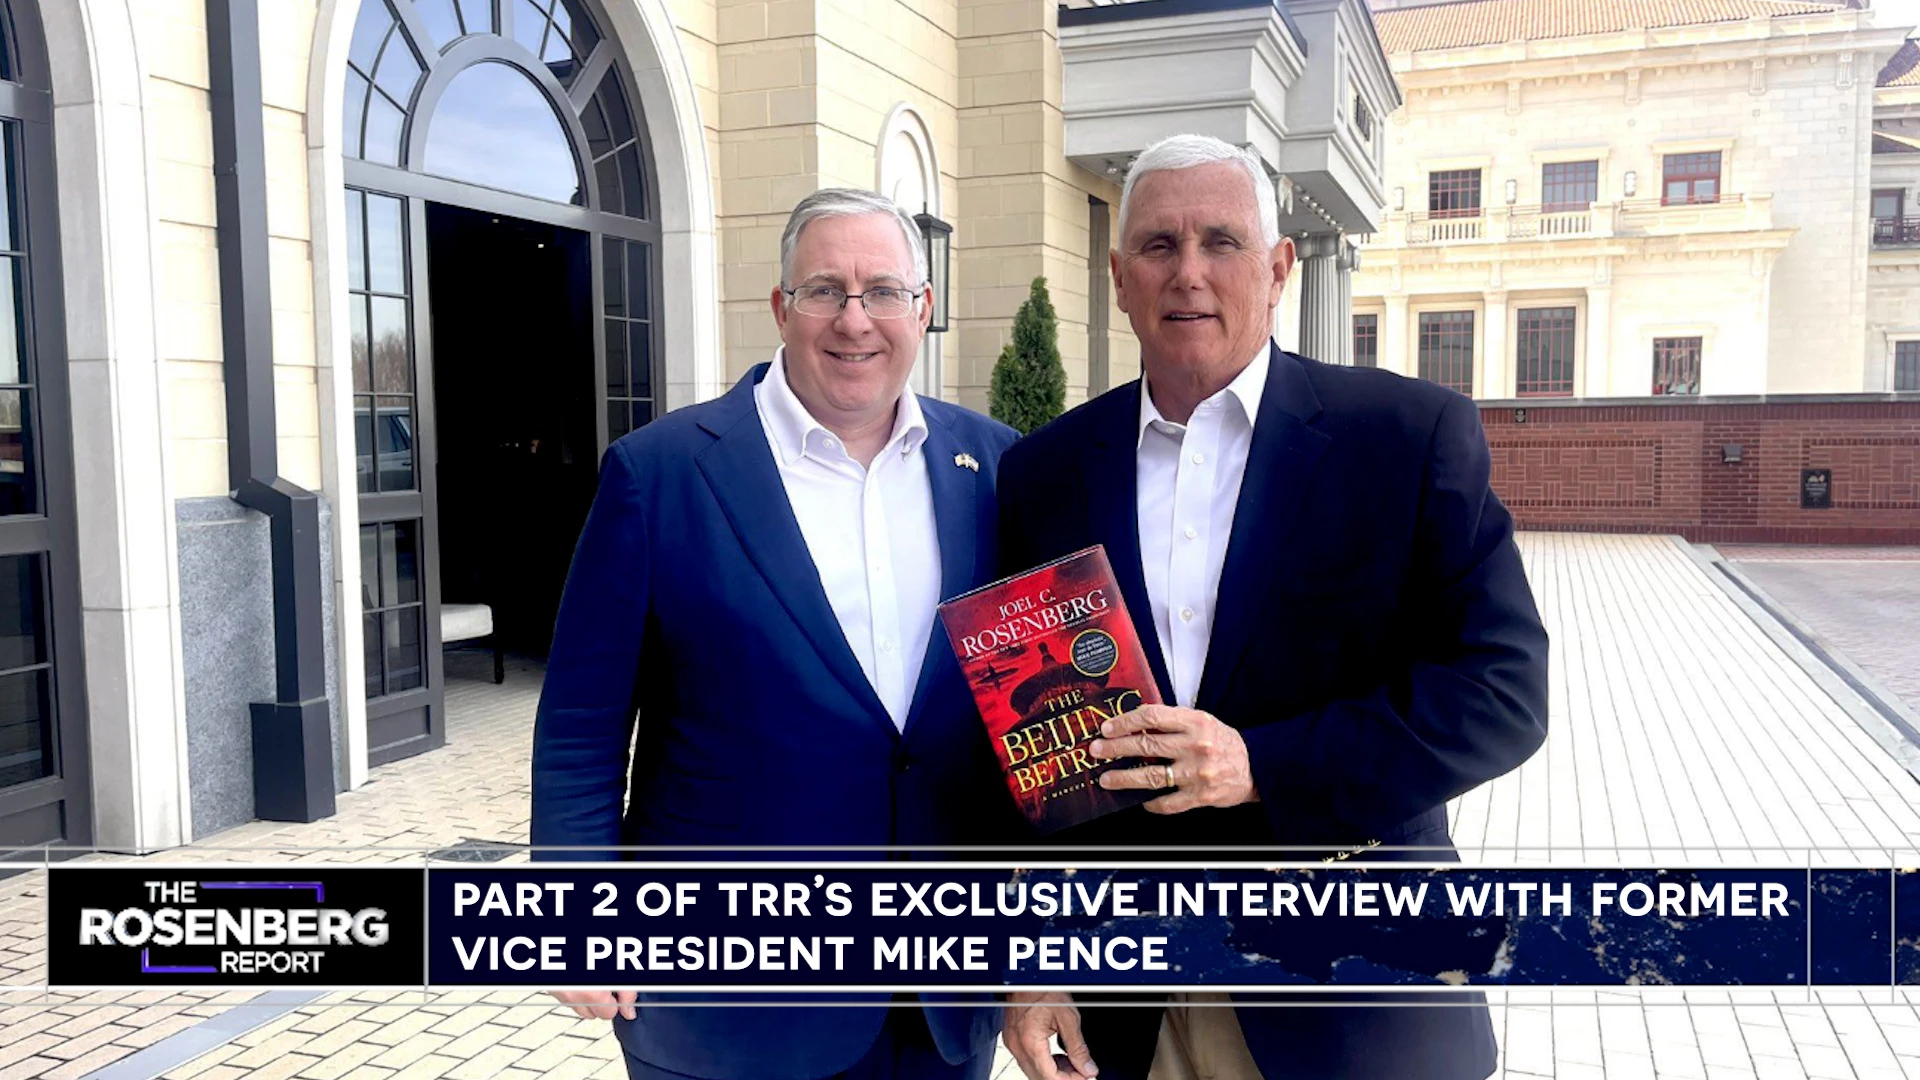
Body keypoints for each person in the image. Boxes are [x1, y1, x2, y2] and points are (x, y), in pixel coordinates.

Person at [994, 134, 1550, 1080]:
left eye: (1223, 241)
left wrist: (1264, 766)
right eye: (1159, 245)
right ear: (1121, 278)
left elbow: (1503, 693)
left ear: (1281, 268)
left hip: (1352, 994)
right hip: (1135, 998)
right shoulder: (1043, 472)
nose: (1190, 272)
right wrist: (1033, 949)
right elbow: (1030, 738)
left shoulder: (1403, 438)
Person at [531, 187, 1021, 1080]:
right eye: (824, 290)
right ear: (780, 307)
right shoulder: (660, 472)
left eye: (882, 291)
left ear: (923, 308)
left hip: (939, 996)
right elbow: (581, 721)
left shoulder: (995, 466)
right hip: (729, 999)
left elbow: (1035, 711)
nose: (854, 320)